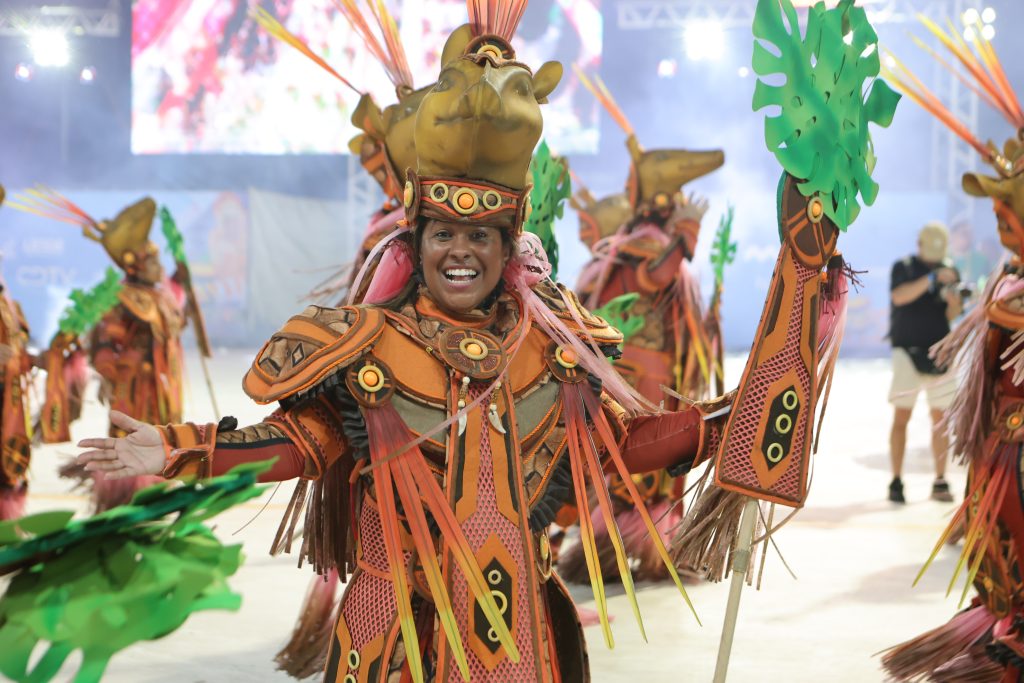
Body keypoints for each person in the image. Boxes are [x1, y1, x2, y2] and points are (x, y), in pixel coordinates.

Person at [76, 10, 730, 681]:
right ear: (415, 243)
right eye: (442, 232)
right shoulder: (370, 345)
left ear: (508, 248)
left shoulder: (551, 347)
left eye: (481, 236)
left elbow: (617, 448)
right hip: (397, 637)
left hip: (517, 640)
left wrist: (722, 425)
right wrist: (181, 446)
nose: (460, 251)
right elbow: (302, 443)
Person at [882, 24, 1024, 681]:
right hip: (999, 441)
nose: (1002, 223)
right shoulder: (1005, 276)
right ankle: (1004, 615)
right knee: (999, 539)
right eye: (998, 214)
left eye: (1010, 211)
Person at [887, 221, 963, 504]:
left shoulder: (951, 270)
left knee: (940, 418)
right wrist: (932, 279)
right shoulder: (903, 267)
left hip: (940, 354)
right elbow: (899, 296)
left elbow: (953, 313)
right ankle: (896, 479)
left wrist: (954, 296)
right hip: (906, 350)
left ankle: (940, 479)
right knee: (901, 416)